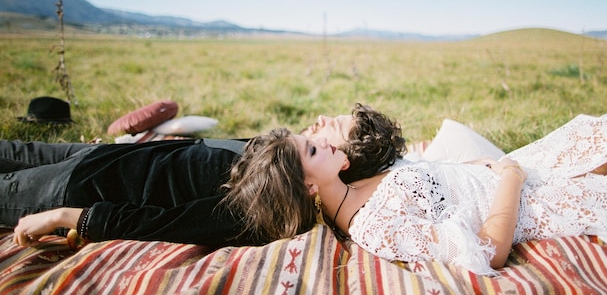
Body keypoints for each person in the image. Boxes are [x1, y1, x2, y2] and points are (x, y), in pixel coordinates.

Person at [224, 106, 607, 275]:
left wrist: (487, 166)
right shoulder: (376, 228)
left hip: (512, 171)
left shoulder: (350, 184)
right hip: (529, 201)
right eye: (312, 148)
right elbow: (490, 250)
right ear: (309, 184)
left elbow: (435, 177)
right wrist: (511, 178)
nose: (322, 138)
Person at [2, 103, 405, 248]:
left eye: (332, 129)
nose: (321, 121)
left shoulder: (263, 202)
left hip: (80, 185)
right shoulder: (286, 154)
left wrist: (70, 216)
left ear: (344, 162)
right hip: (105, 157)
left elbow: (162, 224)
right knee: (12, 149)